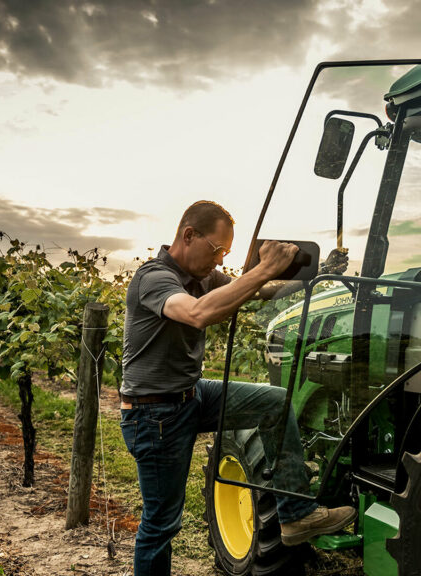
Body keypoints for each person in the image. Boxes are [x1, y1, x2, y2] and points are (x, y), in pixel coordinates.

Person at [120, 200, 356, 576]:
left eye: (226, 253)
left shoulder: (203, 278)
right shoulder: (155, 278)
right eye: (217, 250)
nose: (220, 260)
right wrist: (263, 267)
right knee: (161, 524)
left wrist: (315, 274)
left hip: (191, 394)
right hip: (154, 413)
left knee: (275, 402)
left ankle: (295, 516)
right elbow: (198, 314)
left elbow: (260, 291)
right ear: (188, 235)